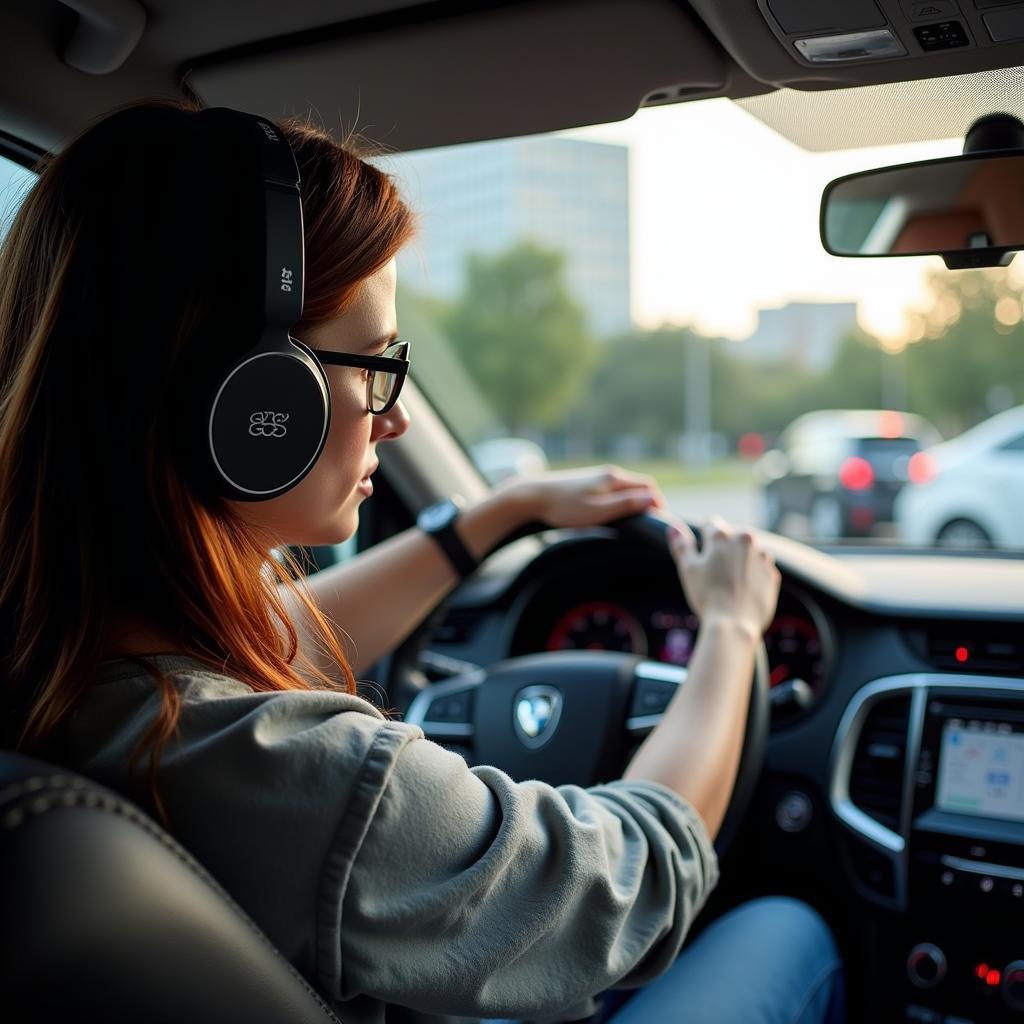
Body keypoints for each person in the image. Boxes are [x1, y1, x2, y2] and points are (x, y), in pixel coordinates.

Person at [0, 101, 844, 1024]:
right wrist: (728, 630)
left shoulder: (73, 661)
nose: (394, 418)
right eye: (372, 364)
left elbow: (267, 644)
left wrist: (494, 517)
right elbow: (630, 883)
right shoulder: (299, 778)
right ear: (252, 402)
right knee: (789, 929)